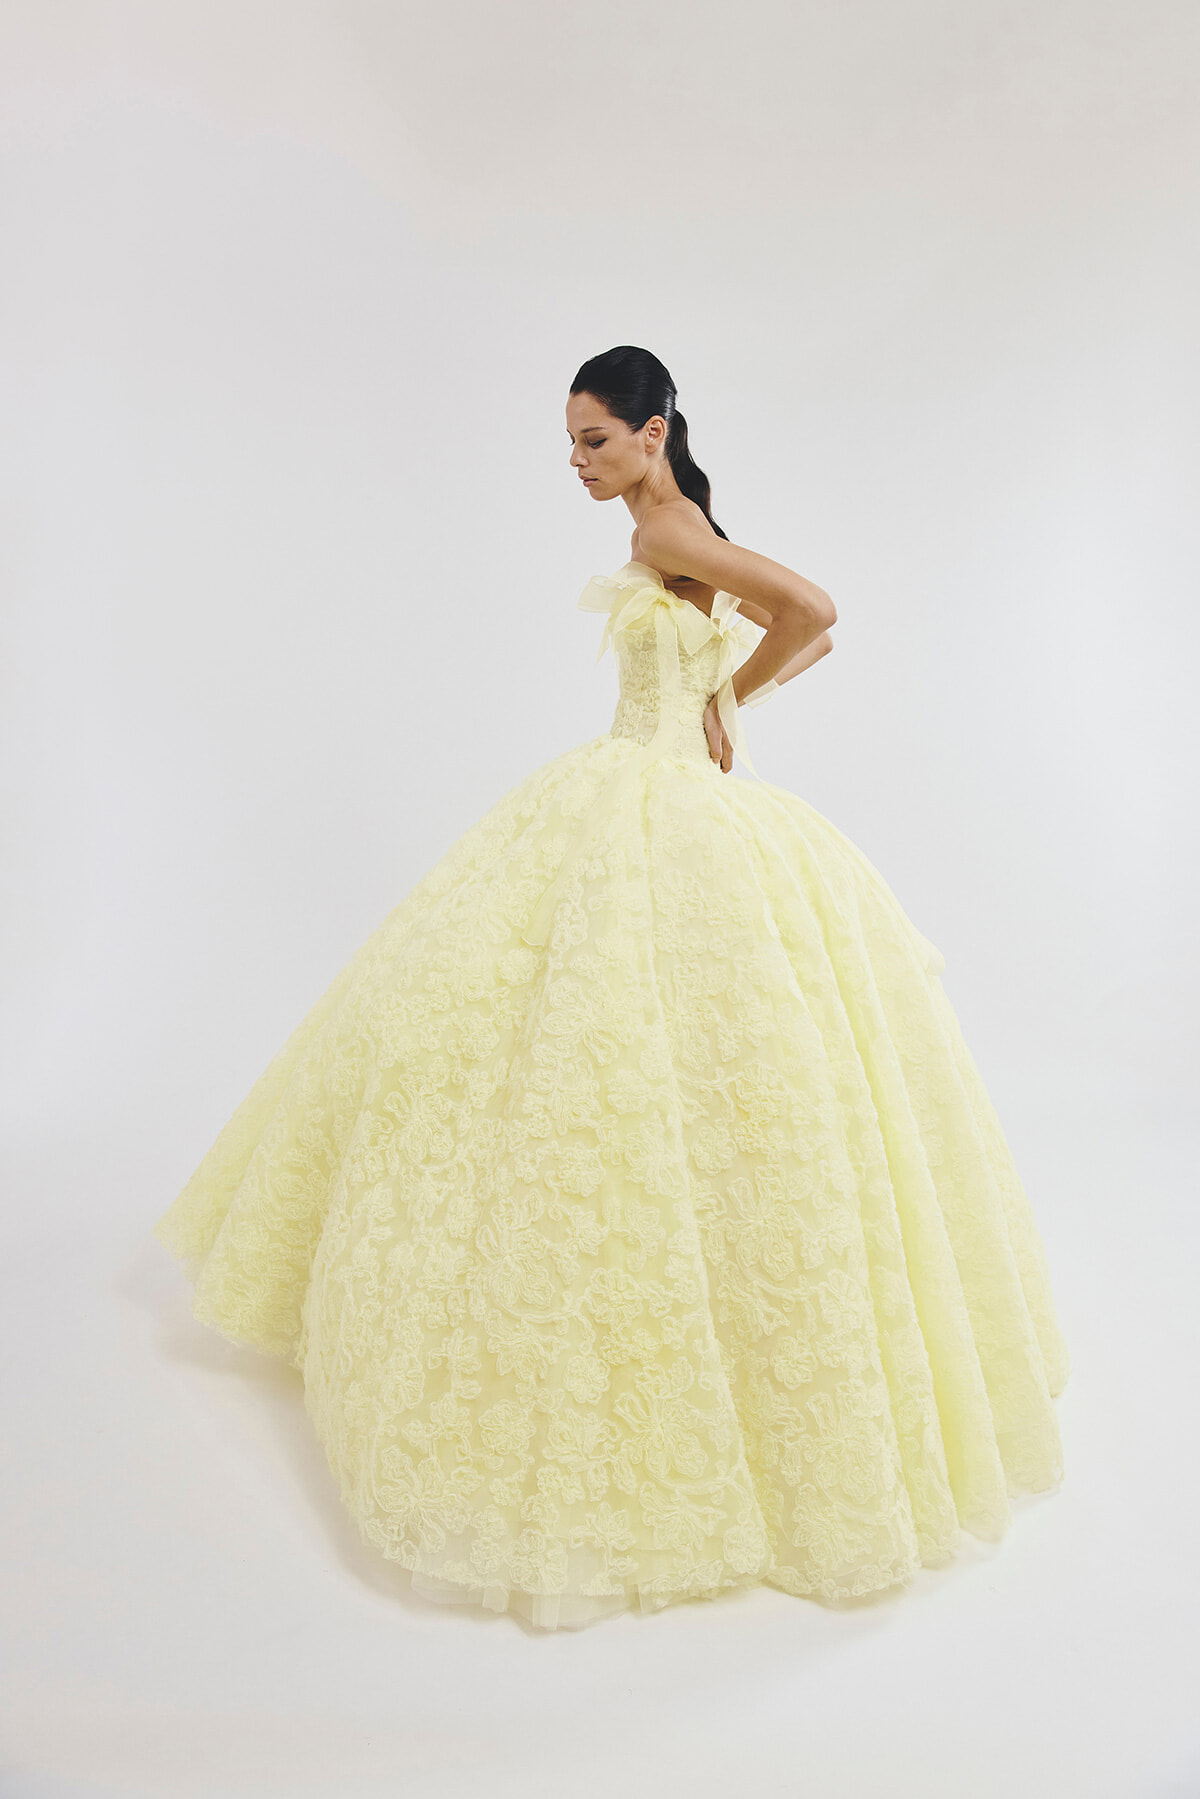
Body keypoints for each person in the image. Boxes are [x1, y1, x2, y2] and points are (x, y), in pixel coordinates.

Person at [153, 344, 1069, 1631]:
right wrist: (716, 698)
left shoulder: (681, 525)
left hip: (667, 807)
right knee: (506, 1023)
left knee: (671, 1045)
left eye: (595, 440)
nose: (576, 462)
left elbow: (813, 607)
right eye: (568, 442)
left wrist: (728, 703)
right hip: (616, 788)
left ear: (653, 430)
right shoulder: (651, 518)